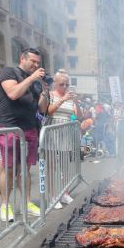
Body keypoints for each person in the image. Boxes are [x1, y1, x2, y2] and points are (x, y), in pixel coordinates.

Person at [0, 48, 49, 221]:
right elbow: (13, 94)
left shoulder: (35, 82)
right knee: (9, 168)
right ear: (22, 59)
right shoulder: (9, 72)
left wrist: (44, 91)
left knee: (25, 169)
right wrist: (32, 78)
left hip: (29, 128)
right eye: (33, 61)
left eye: (38, 63)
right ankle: (5, 205)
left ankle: (26, 203)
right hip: (9, 127)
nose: (36, 65)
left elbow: (41, 108)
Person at [43, 70, 80, 208]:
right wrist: (62, 99)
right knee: (51, 166)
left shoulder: (70, 98)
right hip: (52, 131)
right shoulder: (51, 95)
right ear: (55, 83)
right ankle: (52, 196)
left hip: (66, 131)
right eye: (61, 84)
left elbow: (78, 116)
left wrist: (76, 102)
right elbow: (48, 111)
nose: (65, 87)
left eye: (67, 84)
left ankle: (65, 193)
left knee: (65, 165)